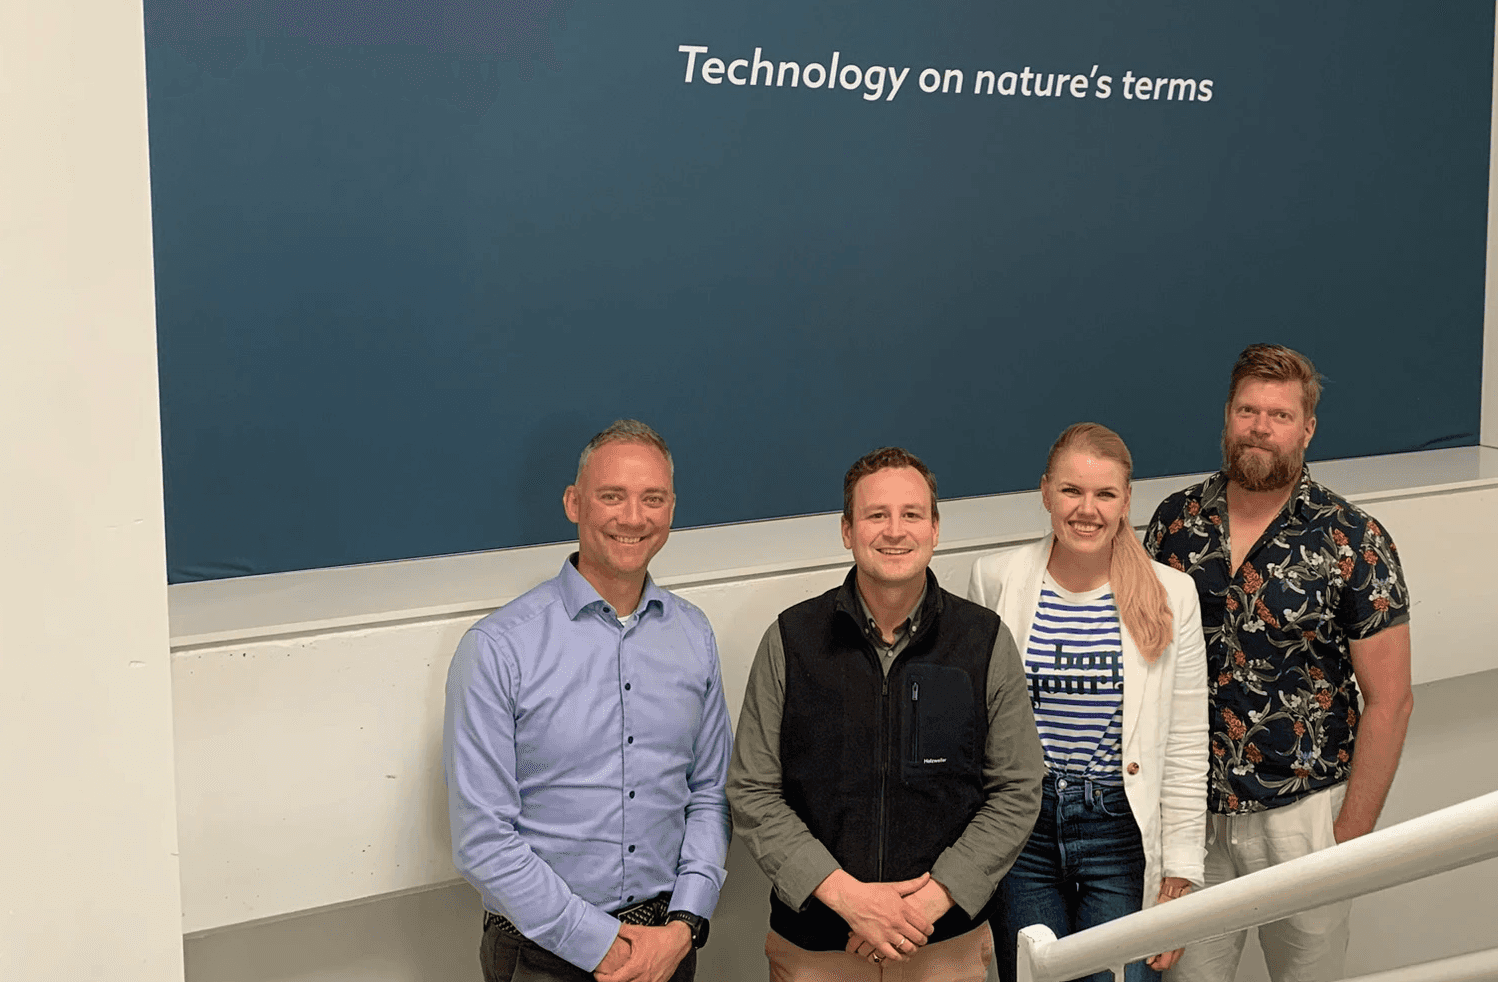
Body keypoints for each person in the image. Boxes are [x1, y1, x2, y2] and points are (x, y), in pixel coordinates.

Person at [1144, 346, 1414, 982]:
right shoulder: (1176, 523)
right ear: (1227, 417)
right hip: (1191, 816)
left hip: (1304, 814)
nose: (1260, 427)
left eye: (1280, 415)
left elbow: (1391, 700)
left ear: (1307, 428)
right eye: (1247, 410)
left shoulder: (1353, 539)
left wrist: (1350, 836)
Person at [727, 446, 1045, 981]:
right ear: (847, 530)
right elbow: (753, 791)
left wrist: (928, 903)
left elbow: (1016, 789)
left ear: (935, 529)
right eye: (876, 515)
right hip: (818, 952)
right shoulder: (790, 640)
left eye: (911, 514)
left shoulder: (984, 641)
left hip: (944, 947)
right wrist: (848, 899)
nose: (895, 531)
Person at [445, 420, 730, 982]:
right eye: (612, 496)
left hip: (668, 947)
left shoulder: (694, 635)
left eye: (653, 498)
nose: (633, 517)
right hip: (540, 955)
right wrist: (603, 947)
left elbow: (708, 794)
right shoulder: (498, 648)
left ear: (672, 509)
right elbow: (483, 839)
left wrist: (685, 925)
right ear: (574, 503)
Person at [967, 424, 1209, 982]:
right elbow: (977, 728)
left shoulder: (1172, 594)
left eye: (1105, 494)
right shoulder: (996, 580)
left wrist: (1180, 872)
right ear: (1045, 492)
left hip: (1120, 835)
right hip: (1024, 830)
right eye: (1071, 491)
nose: (1087, 510)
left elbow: (1186, 742)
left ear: (1126, 501)